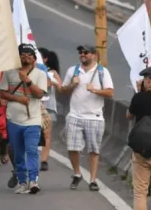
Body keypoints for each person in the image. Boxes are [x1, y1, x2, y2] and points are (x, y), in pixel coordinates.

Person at [59, 44, 114, 191]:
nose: (82, 54)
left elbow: (110, 93)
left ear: (94, 55)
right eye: (80, 52)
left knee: (94, 150)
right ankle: (77, 173)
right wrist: (72, 85)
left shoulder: (102, 72)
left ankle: (93, 180)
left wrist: (94, 90)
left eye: (86, 52)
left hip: (94, 117)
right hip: (74, 115)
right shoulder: (73, 70)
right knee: (72, 148)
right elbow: (63, 90)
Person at [0, 44, 48, 195]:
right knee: (18, 153)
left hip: (32, 120)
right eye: (22, 54)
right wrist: (17, 99)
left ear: (34, 58)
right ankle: (22, 181)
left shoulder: (40, 74)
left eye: (29, 54)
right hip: (13, 119)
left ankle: (33, 181)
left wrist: (27, 80)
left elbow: (39, 94)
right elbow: (2, 93)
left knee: (32, 150)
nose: (26, 56)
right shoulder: (9, 73)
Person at [126, 66, 151, 210]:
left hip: (143, 150)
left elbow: (128, 115)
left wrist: (139, 92)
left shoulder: (139, 98)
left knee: (140, 193)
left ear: (148, 80)